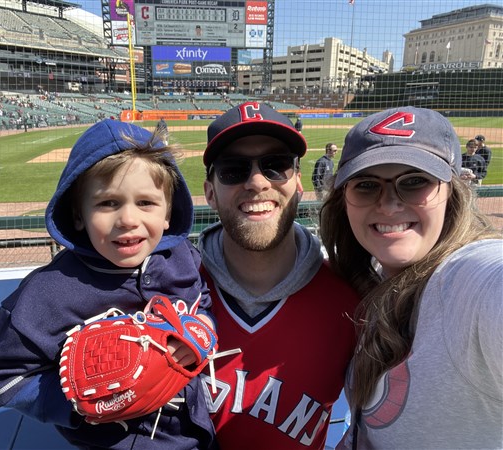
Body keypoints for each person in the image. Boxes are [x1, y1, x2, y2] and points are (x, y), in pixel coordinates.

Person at [0, 119, 217, 449]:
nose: (128, 220)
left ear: (167, 212)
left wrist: (199, 329)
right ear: (78, 215)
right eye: (108, 203)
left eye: (146, 202)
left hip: (198, 431)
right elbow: (1, 378)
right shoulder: (47, 293)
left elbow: (200, 302)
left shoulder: (183, 258)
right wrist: (77, 404)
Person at [319, 106, 502, 449]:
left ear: (453, 190)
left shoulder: (468, 281)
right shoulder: (364, 281)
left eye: (414, 182)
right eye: (367, 185)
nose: (388, 205)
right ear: (343, 201)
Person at [197, 101, 359, 449]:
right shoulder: (168, 290)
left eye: (276, 166)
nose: (257, 182)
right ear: (210, 192)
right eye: (232, 169)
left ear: (298, 182)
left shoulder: (353, 301)